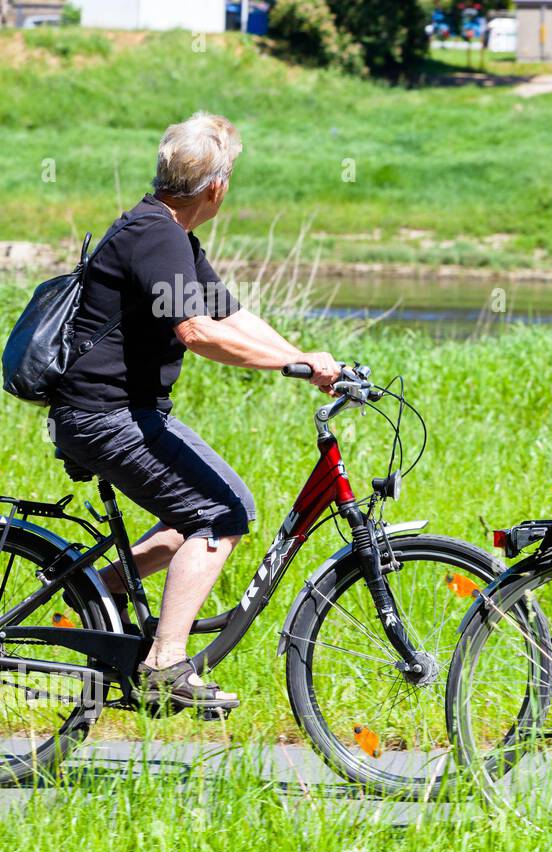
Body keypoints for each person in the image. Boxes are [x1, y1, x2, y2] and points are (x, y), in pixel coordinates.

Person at [47, 111, 342, 710]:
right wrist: (295, 365)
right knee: (223, 512)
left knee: (194, 518)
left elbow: (230, 316)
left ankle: (89, 598)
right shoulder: (154, 237)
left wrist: (307, 360)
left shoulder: (167, 233)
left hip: (114, 411)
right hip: (106, 416)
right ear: (217, 187)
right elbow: (198, 332)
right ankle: (164, 663)